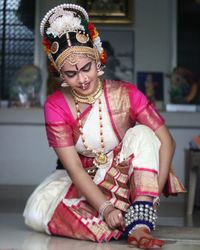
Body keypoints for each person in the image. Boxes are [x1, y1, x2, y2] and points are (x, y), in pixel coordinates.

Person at [23, 4, 186, 249]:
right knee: (36, 211)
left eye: (86, 68)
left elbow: (167, 142)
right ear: (60, 75)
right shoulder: (55, 105)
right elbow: (74, 168)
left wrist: (149, 201)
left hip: (130, 183)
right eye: (71, 73)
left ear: (97, 56)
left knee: (143, 133)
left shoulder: (126, 93)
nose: (83, 79)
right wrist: (105, 208)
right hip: (87, 186)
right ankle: (119, 219)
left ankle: (139, 220)